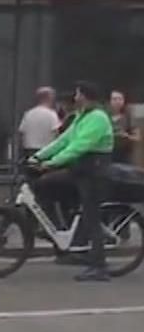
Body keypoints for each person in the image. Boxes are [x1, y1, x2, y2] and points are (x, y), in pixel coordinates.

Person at [35, 81, 115, 282]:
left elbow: (79, 146)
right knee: (44, 185)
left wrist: (52, 163)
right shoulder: (82, 116)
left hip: (94, 174)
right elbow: (63, 141)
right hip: (79, 171)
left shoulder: (98, 118)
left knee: (91, 218)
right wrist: (38, 157)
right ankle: (63, 232)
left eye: (78, 94)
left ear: (86, 96)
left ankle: (99, 267)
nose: (75, 97)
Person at [18, 88, 62, 162]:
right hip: (47, 150)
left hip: (29, 150)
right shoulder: (51, 114)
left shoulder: (28, 114)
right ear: (49, 98)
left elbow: (22, 132)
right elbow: (56, 132)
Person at [110, 89, 137, 165]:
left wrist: (126, 136)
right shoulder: (104, 116)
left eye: (120, 99)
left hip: (124, 154)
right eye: (114, 99)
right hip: (107, 153)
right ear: (109, 101)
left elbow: (137, 137)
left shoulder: (128, 117)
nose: (117, 102)